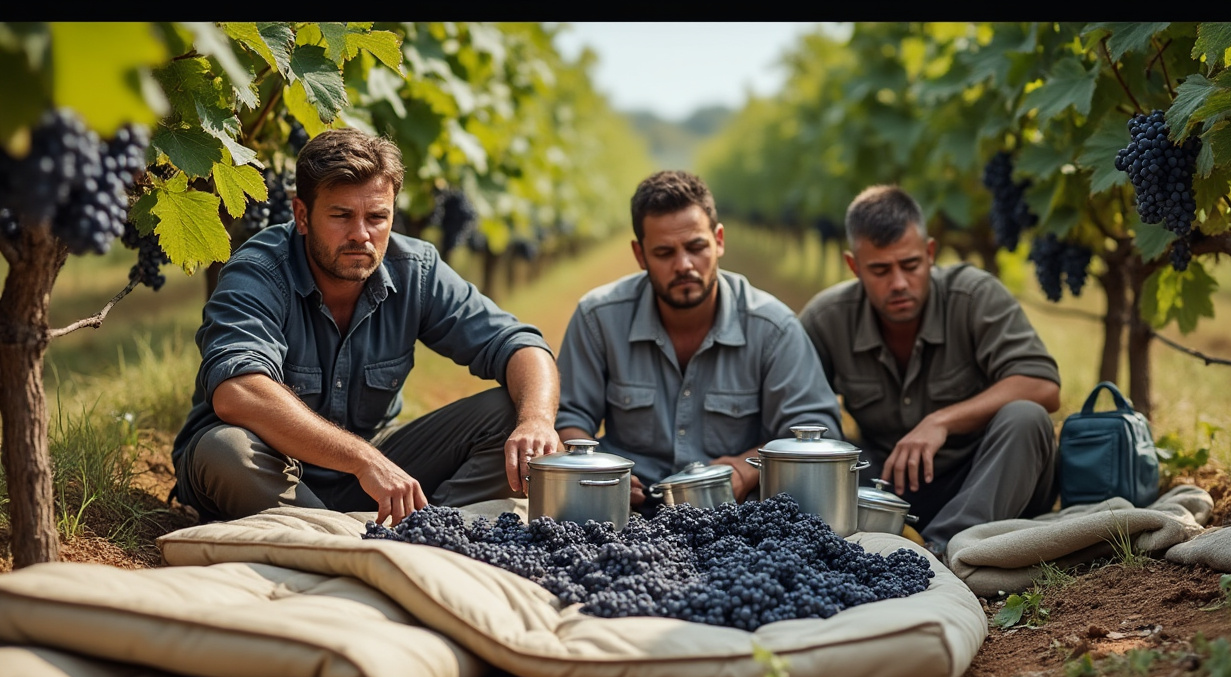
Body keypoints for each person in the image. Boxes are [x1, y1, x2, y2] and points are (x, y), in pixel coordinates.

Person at [171, 127, 560, 527]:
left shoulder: (416, 269)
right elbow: (238, 393)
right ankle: (344, 539)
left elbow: (520, 344)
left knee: (511, 410)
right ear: (302, 215)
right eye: (341, 216)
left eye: (377, 217)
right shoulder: (259, 271)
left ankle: (428, 529)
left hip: (372, 474)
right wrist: (362, 458)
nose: (361, 234)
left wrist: (536, 421)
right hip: (274, 473)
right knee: (225, 449)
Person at [555, 170, 842, 514]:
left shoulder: (772, 328)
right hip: (625, 510)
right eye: (664, 253)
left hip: (734, 510)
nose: (684, 265)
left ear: (719, 240)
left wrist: (745, 468)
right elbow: (567, 417)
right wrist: (597, 468)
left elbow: (814, 432)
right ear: (639, 255)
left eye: (696, 247)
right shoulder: (598, 318)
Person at [798, 184, 1061, 557]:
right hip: (890, 489)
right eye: (880, 270)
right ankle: (903, 539)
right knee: (816, 451)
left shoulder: (974, 295)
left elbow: (1042, 385)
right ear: (854, 266)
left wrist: (942, 421)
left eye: (910, 265)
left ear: (930, 253)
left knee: (1026, 417)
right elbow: (795, 410)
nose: (899, 283)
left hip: (986, 481)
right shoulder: (826, 319)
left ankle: (937, 550)